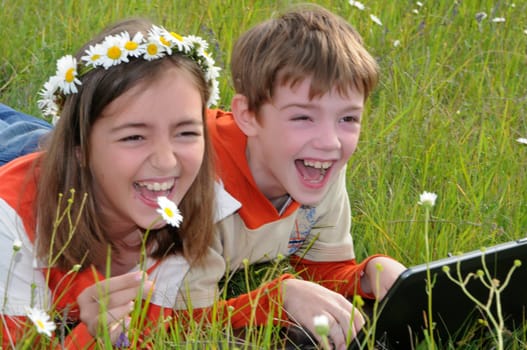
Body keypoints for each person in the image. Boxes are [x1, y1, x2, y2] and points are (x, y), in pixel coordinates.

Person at [0, 17, 231, 348]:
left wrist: (276, 298)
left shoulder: (191, 201)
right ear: (79, 148)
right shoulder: (11, 223)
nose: (167, 161)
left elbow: (165, 327)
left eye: (186, 132)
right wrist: (91, 335)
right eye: (135, 136)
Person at [195, 4, 407, 348]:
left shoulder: (316, 167)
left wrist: (367, 278)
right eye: (303, 118)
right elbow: (172, 324)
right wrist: (278, 299)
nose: (330, 142)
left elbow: (322, 269)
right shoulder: (195, 179)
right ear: (247, 115)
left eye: (348, 119)